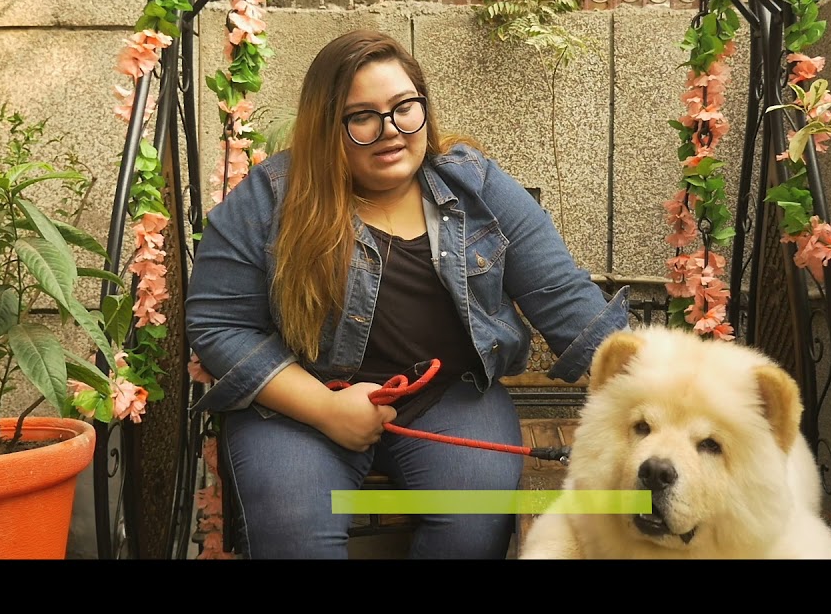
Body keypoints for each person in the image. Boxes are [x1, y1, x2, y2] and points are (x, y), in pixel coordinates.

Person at [184, 29, 630, 559]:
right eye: (362, 116)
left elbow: (567, 301)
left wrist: (673, 392)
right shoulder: (270, 196)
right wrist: (325, 410)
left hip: (450, 400)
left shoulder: (477, 187)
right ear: (328, 125)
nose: (390, 131)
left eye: (404, 107)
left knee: (471, 525)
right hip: (301, 409)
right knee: (293, 532)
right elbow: (217, 323)